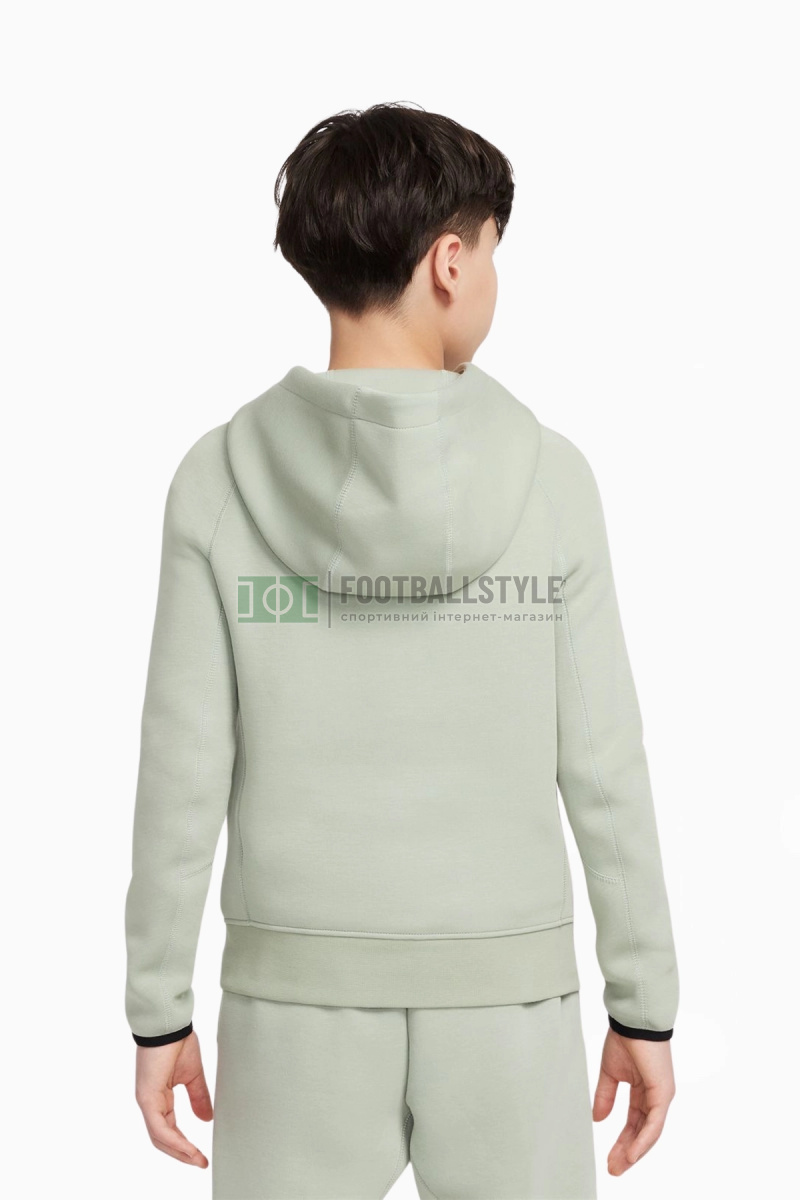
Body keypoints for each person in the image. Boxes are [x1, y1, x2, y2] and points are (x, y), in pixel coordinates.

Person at [125, 102, 679, 1200]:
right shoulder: (551, 480)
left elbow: (181, 774)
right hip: (509, 1003)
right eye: (491, 255)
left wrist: (158, 1013)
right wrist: (643, 1006)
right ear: (448, 262)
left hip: (290, 1004)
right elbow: (604, 768)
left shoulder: (217, 478)